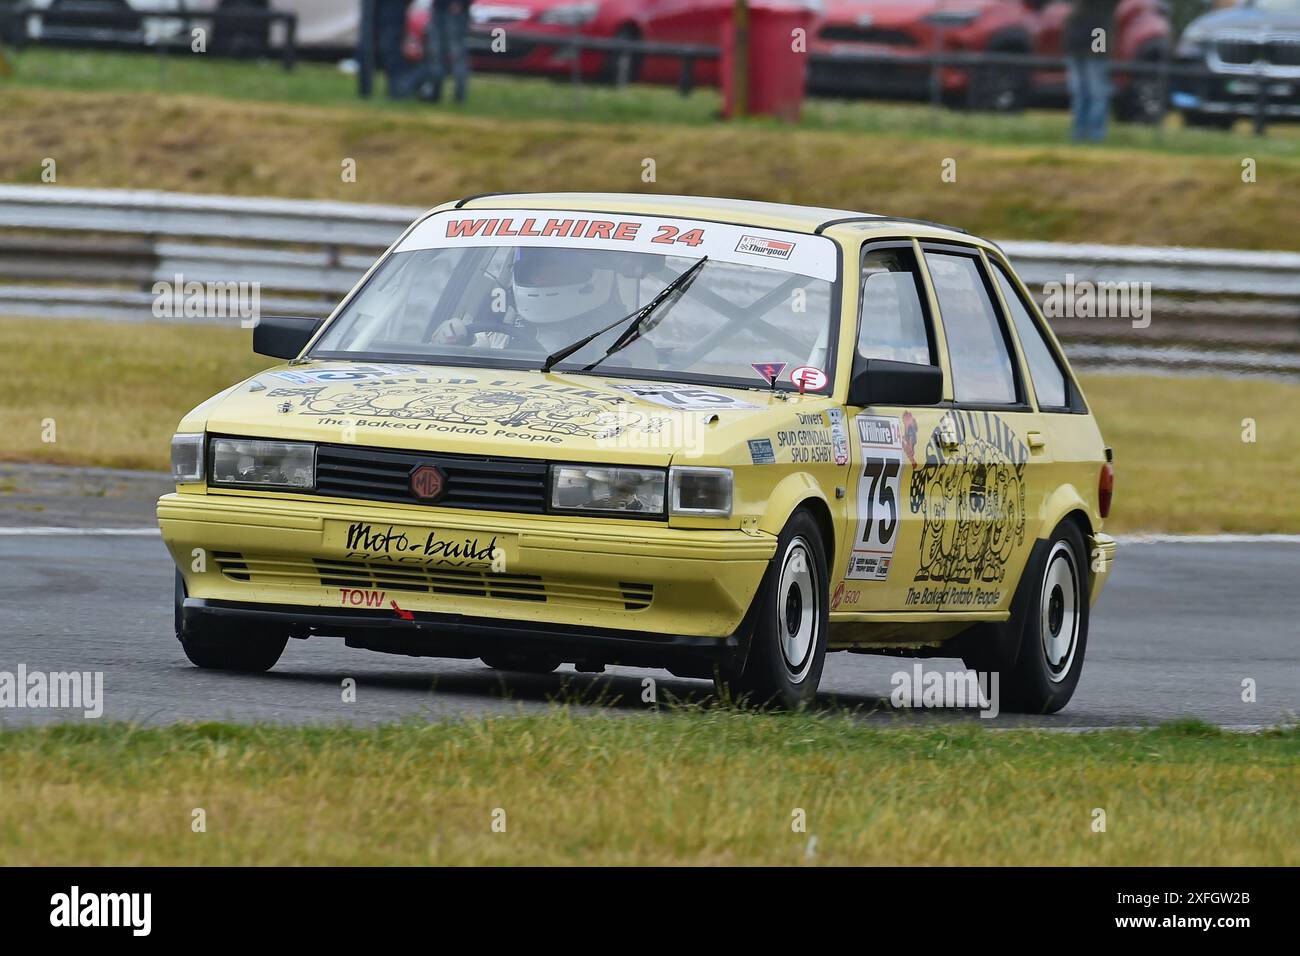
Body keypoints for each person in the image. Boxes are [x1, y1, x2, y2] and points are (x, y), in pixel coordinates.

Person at [432, 248, 660, 368]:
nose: (543, 279)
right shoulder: (488, 337)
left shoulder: (629, 349)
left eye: (558, 271)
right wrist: (446, 344)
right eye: (535, 272)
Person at [1064, 0, 1119, 142]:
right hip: (1077, 39)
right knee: (1079, 91)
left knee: (1097, 91)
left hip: (1097, 35)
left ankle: (1096, 134)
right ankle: (1080, 132)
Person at [427, 0, 472, 103]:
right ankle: (435, 93)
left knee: (456, 54)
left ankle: (458, 96)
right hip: (440, 7)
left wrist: (459, 3)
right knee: (436, 52)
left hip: (455, 9)